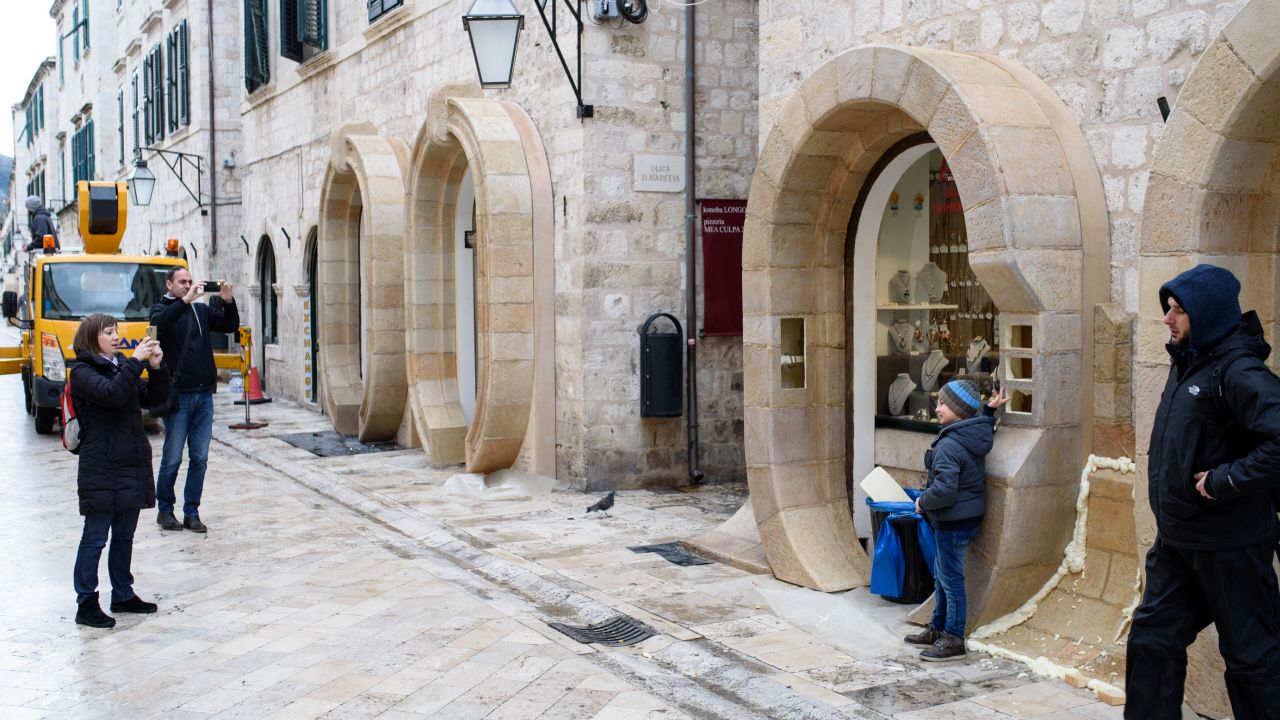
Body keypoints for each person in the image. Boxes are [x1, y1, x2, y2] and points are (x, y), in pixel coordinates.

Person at [1125, 264, 1280, 718]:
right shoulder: (1188, 363)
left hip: (1232, 545)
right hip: (1179, 542)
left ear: (1207, 313)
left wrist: (1224, 479)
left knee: (1252, 658)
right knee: (1152, 640)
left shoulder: (1238, 370)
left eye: (1178, 310)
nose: (1167, 318)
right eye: (1168, 308)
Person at [70, 313, 169, 628]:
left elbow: (153, 398)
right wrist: (136, 362)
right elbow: (111, 395)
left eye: (116, 331)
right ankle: (86, 602)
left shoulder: (120, 365)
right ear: (92, 337)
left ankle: (123, 593)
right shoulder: (83, 372)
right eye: (109, 332)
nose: (117, 337)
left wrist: (155, 368)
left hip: (130, 463)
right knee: (95, 537)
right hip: (101, 466)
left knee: (124, 536)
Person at [904, 380, 1007, 661]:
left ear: (959, 410)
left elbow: (945, 490)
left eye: (943, 404)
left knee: (950, 580)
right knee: (943, 577)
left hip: (952, 521)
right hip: (963, 518)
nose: (937, 408)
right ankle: (938, 628)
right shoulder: (972, 433)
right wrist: (989, 410)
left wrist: (922, 501)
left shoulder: (950, 444)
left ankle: (953, 638)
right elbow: (981, 424)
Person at [149, 268, 238, 534]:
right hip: (180, 396)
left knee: (199, 457)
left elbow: (229, 326)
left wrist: (228, 301)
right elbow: (159, 327)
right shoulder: (159, 310)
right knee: (173, 457)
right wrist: (184, 301)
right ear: (169, 284)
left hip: (204, 394)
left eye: (190, 281)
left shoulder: (200, 311)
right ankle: (165, 510)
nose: (188, 285)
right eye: (182, 282)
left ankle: (192, 512)